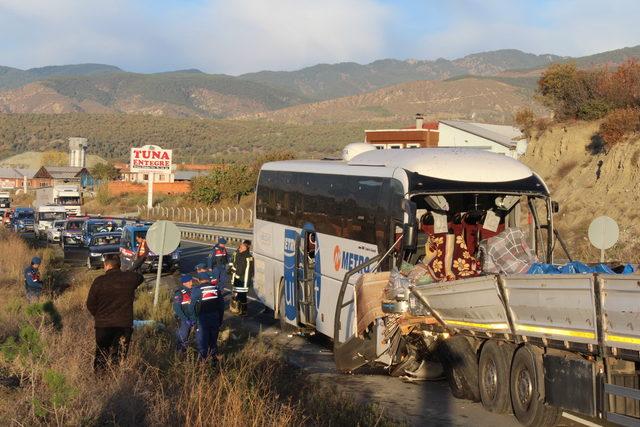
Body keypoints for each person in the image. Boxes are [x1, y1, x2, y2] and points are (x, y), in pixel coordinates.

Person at [86, 254, 144, 372]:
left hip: (103, 325)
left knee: (101, 354)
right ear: (119, 265)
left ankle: (100, 381)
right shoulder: (129, 278)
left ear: (106, 265)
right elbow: (140, 277)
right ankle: (116, 380)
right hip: (124, 324)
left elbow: (90, 304)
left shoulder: (99, 281)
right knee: (119, 355)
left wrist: (99, 316)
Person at [191, 271, 222, 366]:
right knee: (213, 341)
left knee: (202, 341)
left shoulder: (197, 290)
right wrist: (220, 320)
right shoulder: (216, 290)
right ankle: (214, 362)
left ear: (200, 280)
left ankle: (202, 364)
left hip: (202, 319)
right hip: (215, 318)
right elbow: (221, 306)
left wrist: (193, 319)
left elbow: (192, 307)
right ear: (208, 280)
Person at [229, 240, 254, 316]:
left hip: (241, 280)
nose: (239, 248)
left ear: (245, 248)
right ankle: (243, 311)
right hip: (246, 280)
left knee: (240, 296)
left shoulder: (242, 257)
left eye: (241, 247)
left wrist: (233, 272)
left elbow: (240, 270)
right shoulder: (250, 256)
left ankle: (240, 311)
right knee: (243, 296)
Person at [173, 274, 196, 353]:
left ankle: (184, 351)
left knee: (188, 337)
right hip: (184, 319)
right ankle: (179, 352)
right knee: (183, 336)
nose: (191, 283)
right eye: (189, 281)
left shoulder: (193, 291)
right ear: (184, 283)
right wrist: (185, 319)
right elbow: (177, 308)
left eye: (191, 281)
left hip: (191, 318)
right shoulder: (179, 293)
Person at [196, 262, 225, 327]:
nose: (197, 272)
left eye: (198, 270)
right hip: (216, 293)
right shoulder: (212, 273)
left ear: (202, 269)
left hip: (210, 295)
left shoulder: (204, 276)